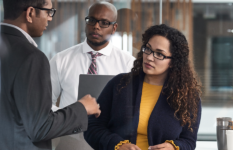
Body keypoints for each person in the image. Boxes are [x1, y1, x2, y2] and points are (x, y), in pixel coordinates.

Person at [0, 0, 101, 149]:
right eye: (48, 11)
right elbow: (40, 127)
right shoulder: (32, 57)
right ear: (30, 13)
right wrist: (82, 108)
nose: (50, 18)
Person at [84, 24, 202, 150]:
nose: (150, 57)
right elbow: (92, 127)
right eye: (148, 49)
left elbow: (189, 141)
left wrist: (174, 147)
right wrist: (118, 145)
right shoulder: (120, 84)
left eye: (159, 54)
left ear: (173, 62)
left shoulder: (187, 97)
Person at [49, 2, 135, 150]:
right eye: (92, 20)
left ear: (114, 28)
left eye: (104, 23)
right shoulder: (61, 60)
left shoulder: (128, 64)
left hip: (110, 141)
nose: (96, 26)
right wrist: (73, 114)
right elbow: (46, 103)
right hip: (68, 139)